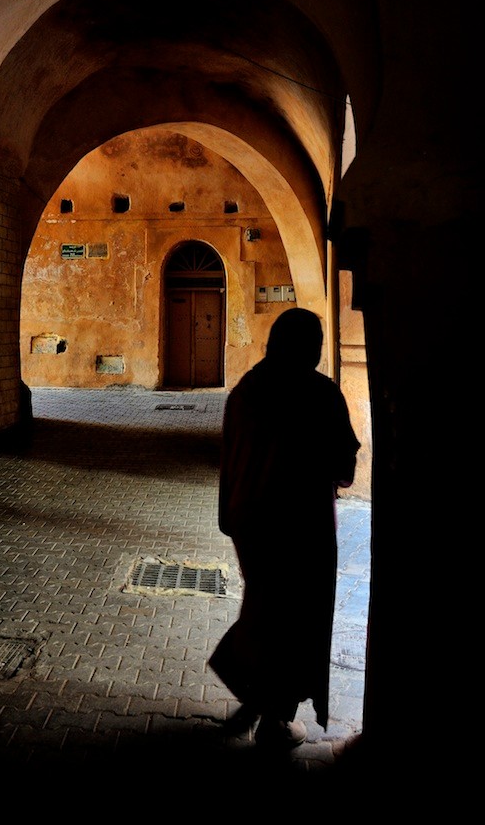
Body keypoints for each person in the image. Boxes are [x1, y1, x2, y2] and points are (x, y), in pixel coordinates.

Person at [209, 307, 360, 752]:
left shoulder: (245, 391)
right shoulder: (321, 395)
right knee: (297, 619)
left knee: (263, 608)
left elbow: (229, 462)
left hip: (250, 524)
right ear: (309, 348)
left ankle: (253, 702)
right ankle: (275, 718)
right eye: (315, 343)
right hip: (302, 529)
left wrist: (231, 517)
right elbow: (345, 469)